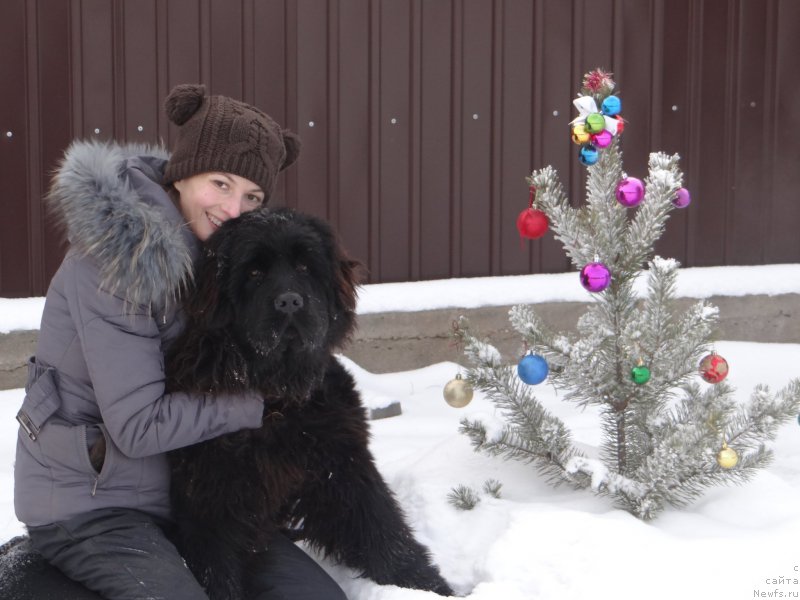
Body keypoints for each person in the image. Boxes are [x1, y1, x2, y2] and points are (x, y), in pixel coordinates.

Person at [13, 84, 347, 600]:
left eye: (252, 196)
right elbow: (138, 428)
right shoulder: (115, 266)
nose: (235, 209)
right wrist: (257, 406)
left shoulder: (216, 258)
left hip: (187, 497)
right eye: (221, 183)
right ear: (183, 173)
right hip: (91, 501)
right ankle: (30, 573)